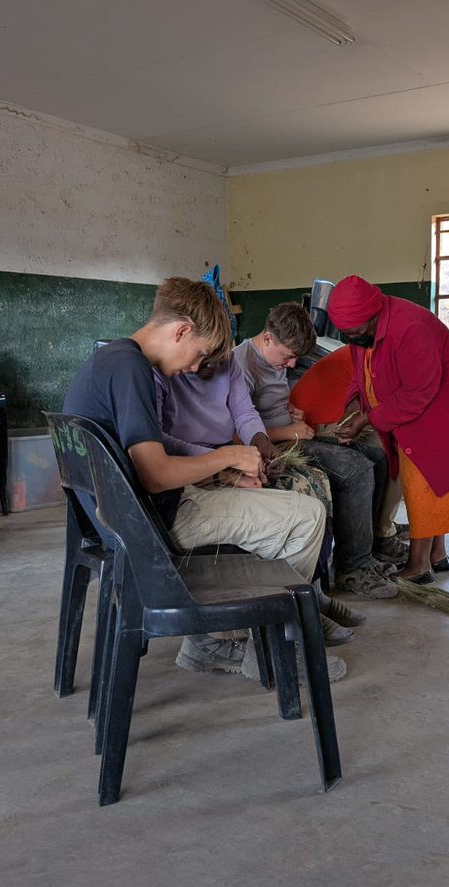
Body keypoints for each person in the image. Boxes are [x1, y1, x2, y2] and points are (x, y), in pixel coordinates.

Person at [64, 277, 341, 680]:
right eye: (197, 354)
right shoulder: (134, 370)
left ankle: (209, 641)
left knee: (271, 507)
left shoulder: (110, 360)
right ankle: (274, 650)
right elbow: (156, 475)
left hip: (122, 520)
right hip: (155, 523)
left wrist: (226, 468)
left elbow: (151, 462)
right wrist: (227, 456)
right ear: (181, 331)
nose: (195, 367)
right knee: (308, 516)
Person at [159, 349, 365, 643]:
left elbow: (244, 413)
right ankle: (282, 615)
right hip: (196, 468)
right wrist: (227, 465)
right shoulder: (166, 368)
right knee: (294, 501)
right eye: (204, 359)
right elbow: (163, 445)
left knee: (314, 481)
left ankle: (312, 591)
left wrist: (263, 446)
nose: (207, 366)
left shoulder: (226, 363)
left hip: (229, 459)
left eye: (218, 359)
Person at [326, 275, 449, 583]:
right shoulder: (364, 332)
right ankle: (437, 554)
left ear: (373, 317)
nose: (353, 339)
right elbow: (361, 373)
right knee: (432, 481)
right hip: (428, 400)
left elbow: (416, 393)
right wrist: (354, 406)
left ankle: (418, 565)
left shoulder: (410, 328)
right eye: (347, 335)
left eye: (356, 333)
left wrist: (368, 419)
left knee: (422, 478)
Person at [234, 302, 398, 600]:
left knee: (378, 450)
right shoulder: (242, 364)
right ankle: (352, 568)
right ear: (267, 338)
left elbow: (268, 404)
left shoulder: (273, 357)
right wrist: (287, 431)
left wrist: (290, 412)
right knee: (354, 468)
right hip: (275, 445)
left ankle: (369, 547)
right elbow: (237, 430)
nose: (292, 365)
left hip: (294, 431)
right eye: (288, 356)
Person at [288, 344, 409, 565]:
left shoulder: (377, 354)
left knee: (397, 445)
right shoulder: (374, 359)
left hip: (329, 416)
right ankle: (378, 539)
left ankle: (379, 530)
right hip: (310, 425)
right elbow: (361, 409)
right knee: (394, 449)